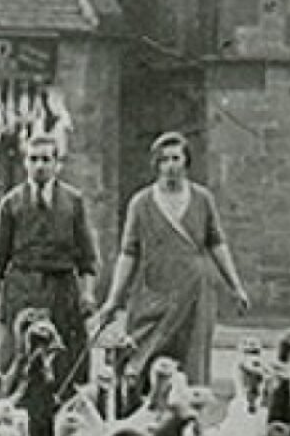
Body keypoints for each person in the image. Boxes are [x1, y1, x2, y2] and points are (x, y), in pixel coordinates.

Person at [92, 131, 250, 388]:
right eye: (163, 160)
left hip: (194, 293)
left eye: (176, 158)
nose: (170, 166)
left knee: (192, 364)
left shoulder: (202, 199)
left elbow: (217, 244)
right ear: (156, 164)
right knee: (139, 359)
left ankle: (189, 420)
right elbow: (128, 253)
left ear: (186, 162)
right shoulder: (141, 203)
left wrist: (236, 286)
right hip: (152, 292)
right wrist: (113, 299)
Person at [0, 133, 99, 384]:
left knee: (66, 356)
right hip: (22, 287)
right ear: (25, 163)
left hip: (62, 288)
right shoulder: (11, 203)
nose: (40, 166)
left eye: (46, 159)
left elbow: (87, 256)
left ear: (57, 164)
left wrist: (87, 293)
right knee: (17, 353)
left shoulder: (73, 201)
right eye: (34, 159)